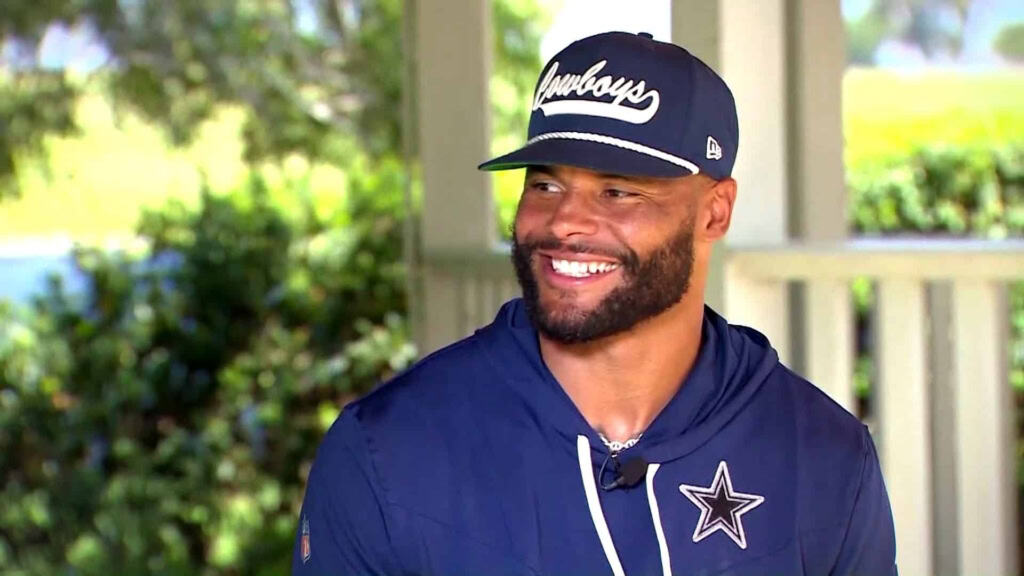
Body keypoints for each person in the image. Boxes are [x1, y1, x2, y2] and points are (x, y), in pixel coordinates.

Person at [292, 31, 897, 575]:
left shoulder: (822, 455)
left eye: (618, 191)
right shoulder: (386, 452)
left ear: (714, 213)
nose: (564, 222)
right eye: (545, 184)